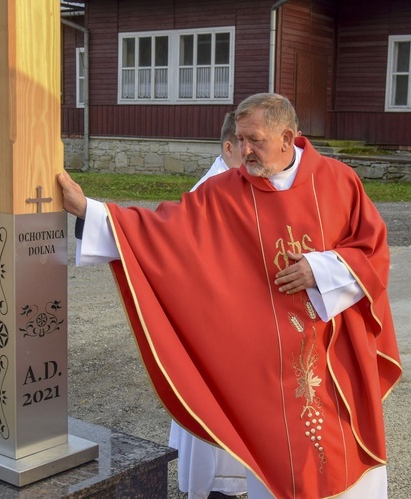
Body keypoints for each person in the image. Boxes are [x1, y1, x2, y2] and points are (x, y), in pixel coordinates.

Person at [58, 92, 402, 498]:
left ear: (287, 137)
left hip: (333, 356)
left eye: (254, 140)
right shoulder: (225, 191)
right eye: (240, 140)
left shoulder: (339, 182)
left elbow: (373, 254)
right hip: (265, 372)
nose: (244, 151)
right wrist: (91, 211)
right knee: (276, 466)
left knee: (344, 460)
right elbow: (163, 232)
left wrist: (320, 269)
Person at [168, 110, 249, 499]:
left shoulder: (240, 183)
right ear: (228, 146)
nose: (253, 154)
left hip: (236, 323)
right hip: (218, 326)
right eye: (246, 145)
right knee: (218, 420)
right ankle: (216, 488)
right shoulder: (211, 192)